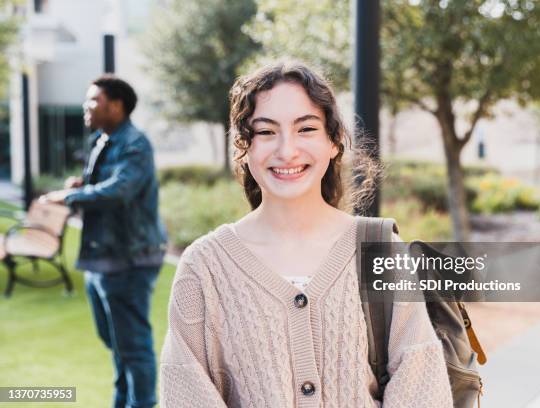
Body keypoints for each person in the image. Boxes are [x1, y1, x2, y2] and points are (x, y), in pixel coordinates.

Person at [159, 61, 452, 407]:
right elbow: (186, 392)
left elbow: (421, 387)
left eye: (306, 129)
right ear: (244, 147)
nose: (286, 150)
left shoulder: (382, 251)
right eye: (266, 132)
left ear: (333, 141)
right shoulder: (203, 267)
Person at [40, 75, 167, 408]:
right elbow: (108, 183)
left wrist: (69, 195)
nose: (87, 105)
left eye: (93, 99)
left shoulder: (135, 143)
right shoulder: (103, 140)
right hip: (102, 255)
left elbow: (121, 190)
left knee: (134, 346)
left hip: (130, 258)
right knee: (115, 341)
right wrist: (83, 183)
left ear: (116, 105)